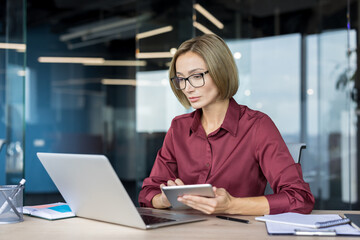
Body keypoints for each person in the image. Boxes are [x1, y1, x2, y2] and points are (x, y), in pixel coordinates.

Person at [138, 34, 315, 215]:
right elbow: (148, 192)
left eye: (197, 76)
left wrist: (232, 204)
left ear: (220, 71)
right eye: (181, 79)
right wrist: (163, 199)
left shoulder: (257, 126)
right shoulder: (179, 128)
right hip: (186, 231)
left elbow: (300, 199)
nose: (187, 88)